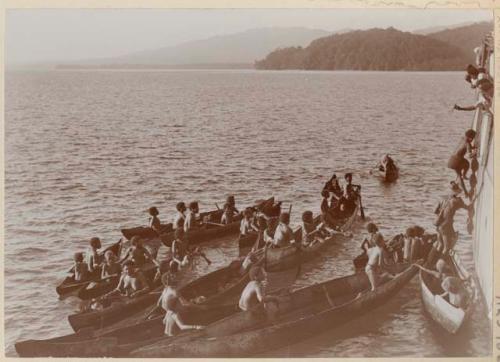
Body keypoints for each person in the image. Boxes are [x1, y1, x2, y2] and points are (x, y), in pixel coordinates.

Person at [434, 181, 471, 255]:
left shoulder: (443, 199)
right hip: (447, 226)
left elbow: (435, 211)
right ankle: (441, 262)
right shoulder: (457, 200)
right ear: (457, 191)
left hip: (439, 225)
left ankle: (432, 262)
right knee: (447, 247)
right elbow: (468, 208)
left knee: (439, 245)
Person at [447, 129, 476, 195]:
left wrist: (472, 147)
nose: (472, 140)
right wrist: (475, 153)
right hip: (456, 161)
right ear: (470, 138)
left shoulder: (463, 139)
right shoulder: (467, 143)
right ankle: (465, 192)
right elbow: (469, 156)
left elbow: (463, 147)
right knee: (460, 175)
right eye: (473, 138)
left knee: (466, 164)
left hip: (452, 159)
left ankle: (463, 176)